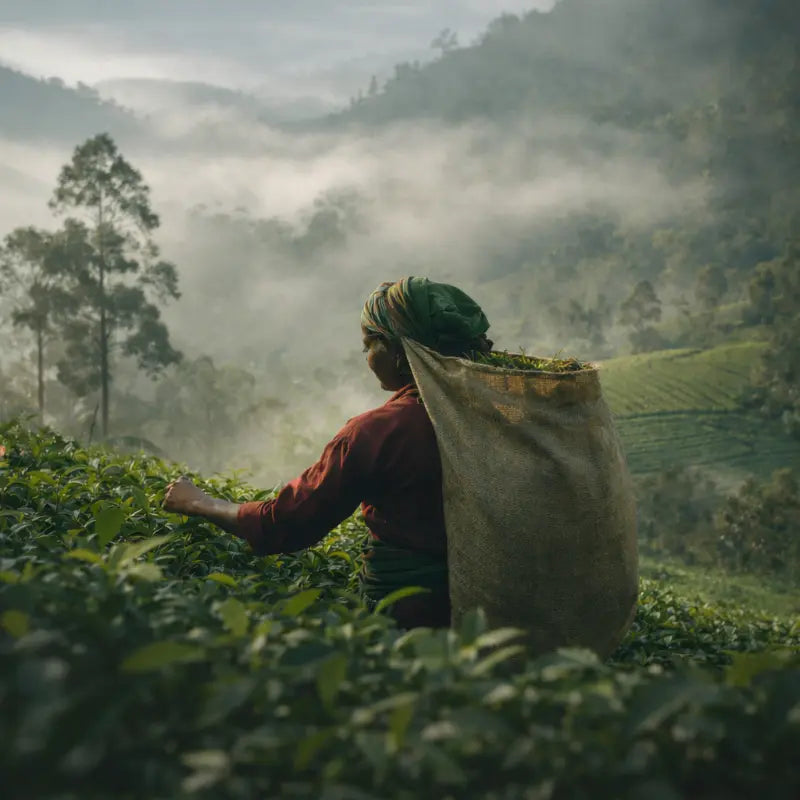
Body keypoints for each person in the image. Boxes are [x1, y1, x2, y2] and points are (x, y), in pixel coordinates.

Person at [163, 276, 493, 628]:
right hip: (499, 614)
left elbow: (288, 522)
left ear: (398, 352)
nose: (366, 357)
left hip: (413, 621)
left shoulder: (379, 432)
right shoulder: (506, 415)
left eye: (369, 344)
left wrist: (198, 503)